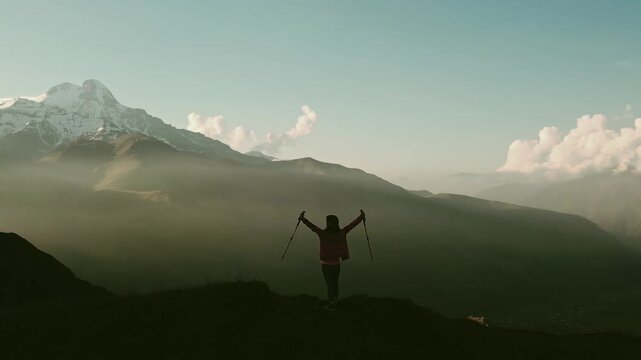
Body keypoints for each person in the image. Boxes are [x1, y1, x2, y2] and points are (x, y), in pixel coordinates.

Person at [299, 211, 365, 309]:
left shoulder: (322, 233)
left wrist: (302, 218)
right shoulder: (341, 233)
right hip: (337, 264)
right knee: (334, 282)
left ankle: (332, 303)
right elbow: (352, 225)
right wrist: (361, 217)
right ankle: (335, 300)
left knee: (329, 284)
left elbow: (312, 226)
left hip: (326, 265)